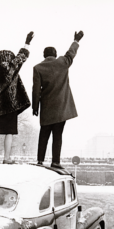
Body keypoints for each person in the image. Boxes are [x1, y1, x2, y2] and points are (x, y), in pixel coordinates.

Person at [32, 31, 84, 169]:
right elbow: (70, 53)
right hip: (61, 108)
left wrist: (35, 107)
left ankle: (40, 161)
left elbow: (36, 89)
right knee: (58, 135)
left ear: (44, 55)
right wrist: (76, 40)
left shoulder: (38, 68)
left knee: (44, 134)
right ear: (55, 55)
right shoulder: (62, 63)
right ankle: (55, 162)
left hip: (47, 109)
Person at [0, 31, 34, 164]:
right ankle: (6, 158)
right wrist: (27, 42)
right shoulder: (12, 67)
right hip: (9, 106)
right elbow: (22, 56)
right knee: (9, 133)